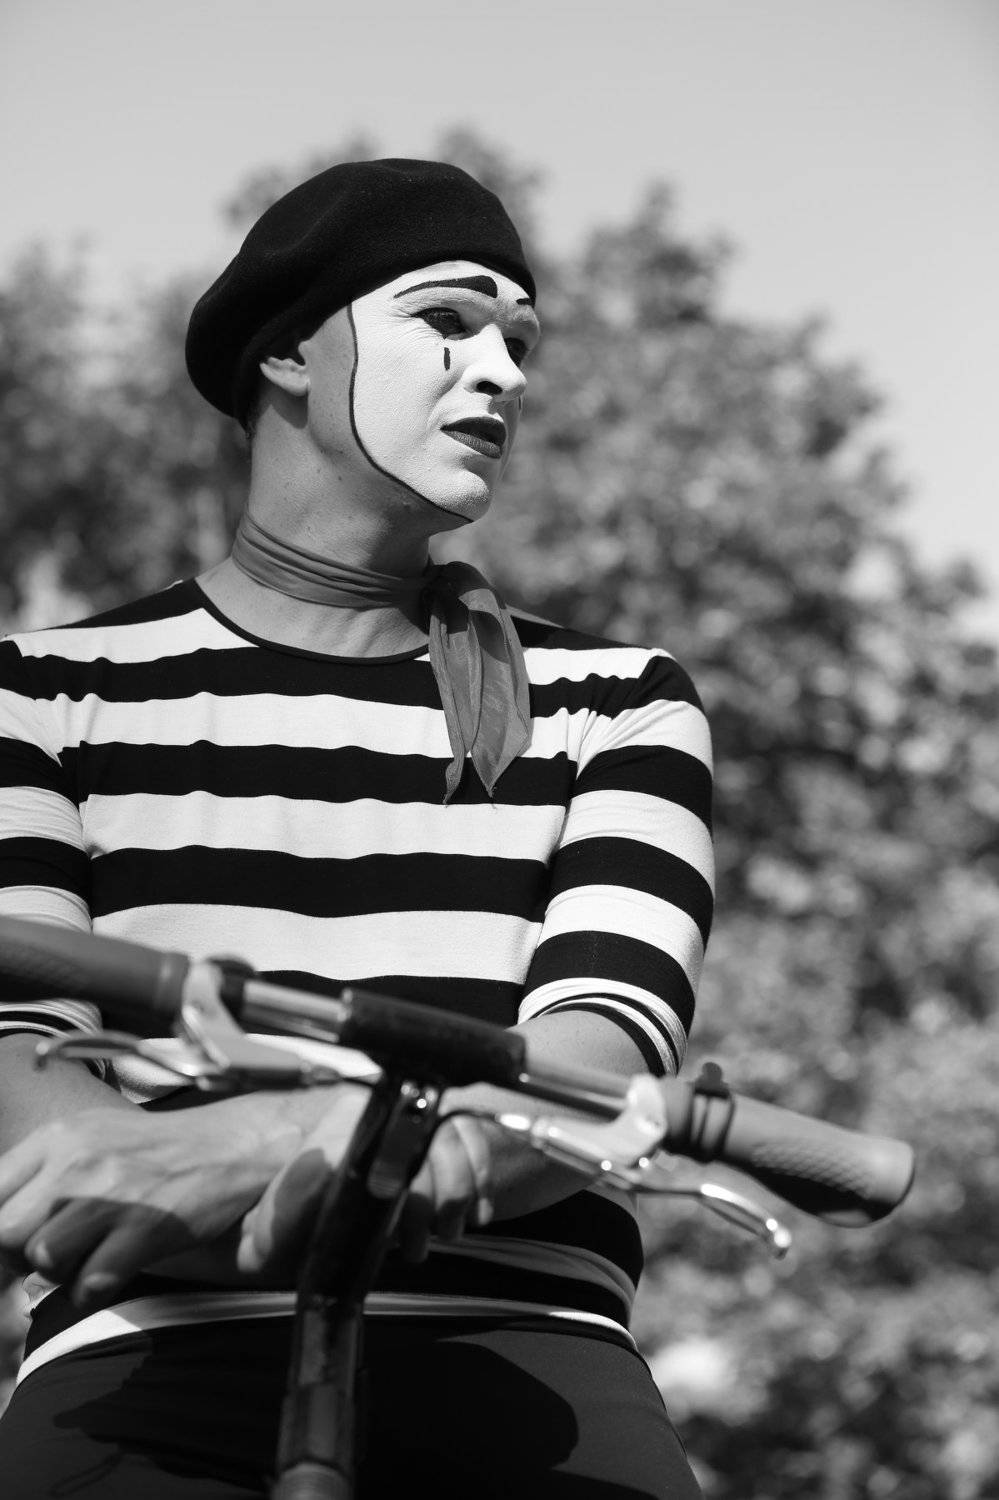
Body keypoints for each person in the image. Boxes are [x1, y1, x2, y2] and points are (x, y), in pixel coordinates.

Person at [0, 159, 714, 1497]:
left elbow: (596, 1056)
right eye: (447, 320)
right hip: (143, 1369)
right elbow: (23, 1083)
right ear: (287, 354)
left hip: (533, 1372)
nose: (501, 372)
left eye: (519, 341)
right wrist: (329, 1157)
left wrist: (279, 1141)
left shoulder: (618, 703)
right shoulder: (36, 694)